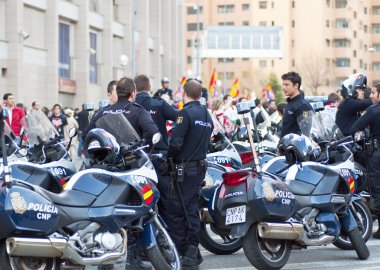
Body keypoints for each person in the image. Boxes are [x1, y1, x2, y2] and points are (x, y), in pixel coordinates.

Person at [166, 80, 213, 268]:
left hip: (183, 170)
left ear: (184, 94)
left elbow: (176, 142)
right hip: (199, 169)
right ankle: (193, 250)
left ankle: (186, 252)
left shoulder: (184, 113)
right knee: (191, 210)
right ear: (200, 95)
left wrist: (168, 159)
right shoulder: (207, 115)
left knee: (176, 212)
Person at [134, 74, 178, 220]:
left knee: (138, 195)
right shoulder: (159, 103)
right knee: (165, 196)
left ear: (134, 88)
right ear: (150, 87)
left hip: (134, 159)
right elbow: (179, 118)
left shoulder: (130, 105)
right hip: (159, 157)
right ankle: (166, 230)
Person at [83, 77, 158, 148]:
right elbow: (152, 132)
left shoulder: (102, 112)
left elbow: (86, 136)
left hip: (108, 159)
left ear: (118, 93)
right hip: (132, 158)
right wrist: (142, 148)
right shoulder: (138, 111)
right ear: (132, 93)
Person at [350, 83, 380, 238]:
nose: (371, 96)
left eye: (374, 93)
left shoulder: (373, 111)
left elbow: (354, 128)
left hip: (376, 154)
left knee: (377, 188)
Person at [280, 71, 313, 138]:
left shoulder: (303, 106)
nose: (283, 88)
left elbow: (306, 131)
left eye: (286, 85)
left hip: (296, 147)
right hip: (285, 146)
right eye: (283, 85)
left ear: (296, 85)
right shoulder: (289, 103)